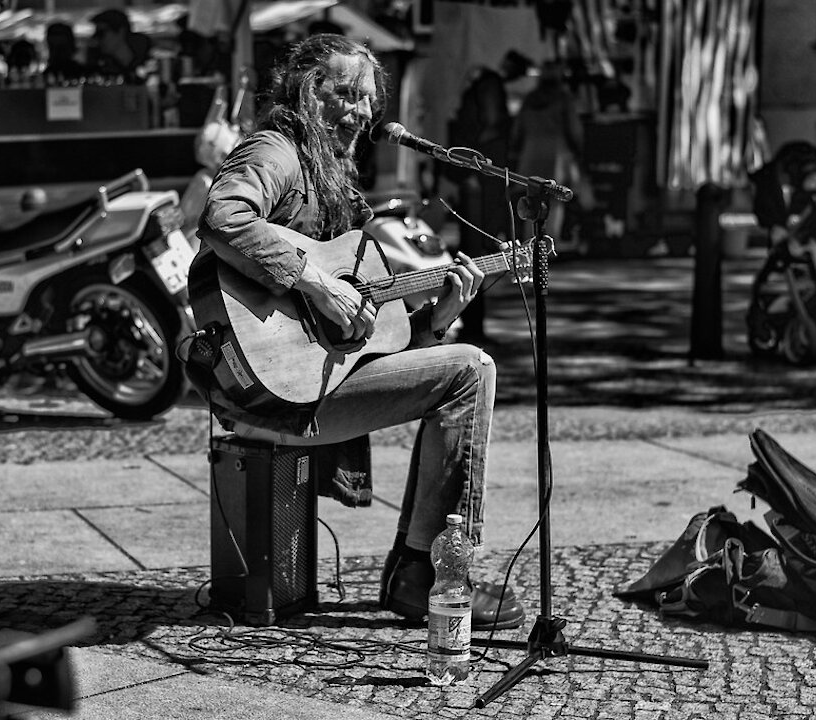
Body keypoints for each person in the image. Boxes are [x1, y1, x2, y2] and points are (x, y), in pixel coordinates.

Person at [190, 34, 526, 630]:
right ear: (303, 91)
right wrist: (316, 284)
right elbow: (222, 217)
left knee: (459, 367)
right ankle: (426, 574)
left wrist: (442, 313)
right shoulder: (276, 152)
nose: (360, 111)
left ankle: (416, 572)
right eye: (343, 94)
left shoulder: (336, 183)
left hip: (302, 383)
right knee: (473, 370)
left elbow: (387, 334)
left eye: (367, 99)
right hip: (266, 390)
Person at [446, 50, 531, 346]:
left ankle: (472, 324)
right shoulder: (487, 83)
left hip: (483, 180)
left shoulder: (486, 84)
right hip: (480, 182)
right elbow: (489, 127)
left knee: (476, 254)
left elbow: (488, 128)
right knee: (474, 254)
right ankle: (470, 324)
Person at [509, 60, 589, 245]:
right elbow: (574, 129)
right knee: (555, 198)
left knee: (531, 197)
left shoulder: (531, 99)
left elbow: (517, 129)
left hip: (531, 151)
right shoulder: (563, 98)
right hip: (556, 153)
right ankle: (549, 244)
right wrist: (578, 150)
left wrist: (517, 148)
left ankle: (530, 243)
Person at [87, 8, 153, 84]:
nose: (97, 39)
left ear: (121, 32)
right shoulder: (102, 68)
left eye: (101, 33)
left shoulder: (151, 63)